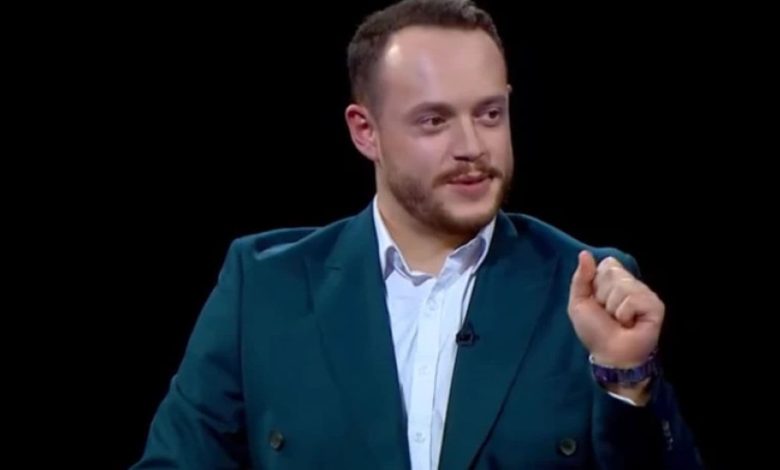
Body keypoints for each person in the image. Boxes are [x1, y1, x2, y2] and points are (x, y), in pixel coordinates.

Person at [132, 0, 704, 468]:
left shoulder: (588, 287)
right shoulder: (266, 287)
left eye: (490, 114)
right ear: (366, 132)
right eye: (434, 120)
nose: (472, 147)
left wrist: (626, 377)